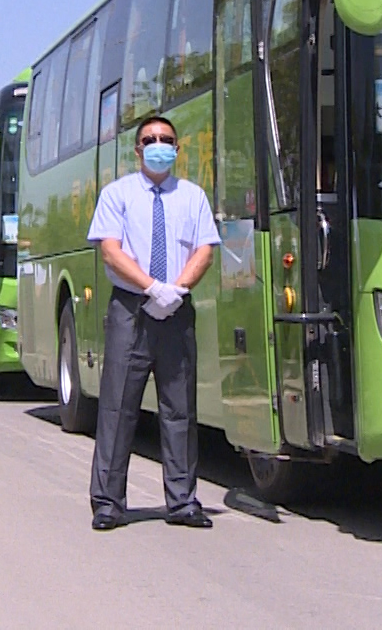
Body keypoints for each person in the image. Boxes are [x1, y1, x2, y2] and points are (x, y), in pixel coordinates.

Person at [86, 115, 219, 531]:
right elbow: (111, 251)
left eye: (166, 139)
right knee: (118, 406)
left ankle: (182, 501)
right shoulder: (117, 194)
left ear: (178, 150)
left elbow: (204, 250)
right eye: (150, 139)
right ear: (137, 149)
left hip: (176, 310)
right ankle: (109, 502)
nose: (158, 144)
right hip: (131, 309)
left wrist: (175, 290)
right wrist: (150, 288)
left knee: (179, 408)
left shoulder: (193, 196)